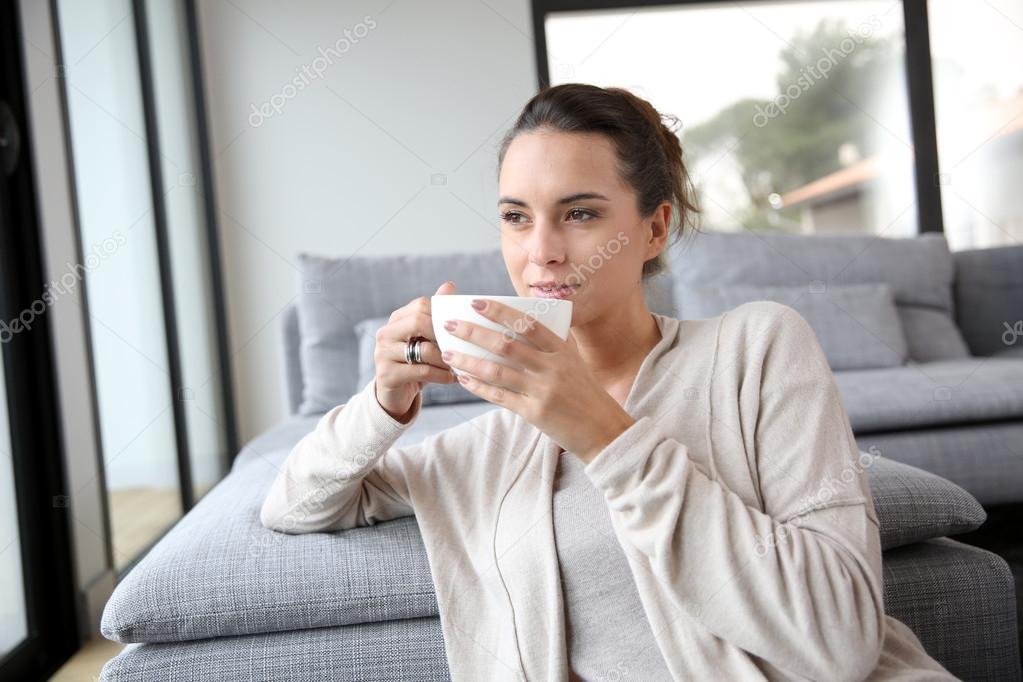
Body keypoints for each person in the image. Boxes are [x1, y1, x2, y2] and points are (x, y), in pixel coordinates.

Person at [261, 83, 957, 681]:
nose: (541, 253)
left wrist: (601, 432)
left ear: (653, 228)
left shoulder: (756, 347)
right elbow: (295, 504)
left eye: (580, 213)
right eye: (515, 218)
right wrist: (383, 401)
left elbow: (838, 641)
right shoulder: (490, 446)